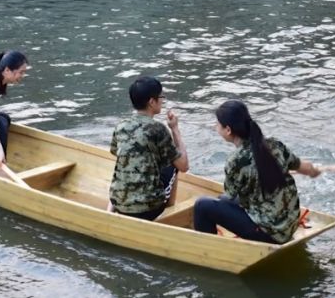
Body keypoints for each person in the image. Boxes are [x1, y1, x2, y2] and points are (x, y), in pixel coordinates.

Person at [193, 100, 321, 244]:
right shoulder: (274, 144)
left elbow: (230, 194)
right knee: (221, 199)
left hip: (271, 233)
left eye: (217, 124)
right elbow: (302, 166)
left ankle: (208, 250)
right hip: (290, 223)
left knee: (202, 205)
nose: (214, 126)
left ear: (228, 130)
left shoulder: (235, 160)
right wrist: (313, 171)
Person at [108, 76, 189, 220]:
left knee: (124, 162)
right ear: (152, 102)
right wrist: (175, 129)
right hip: (148, 210)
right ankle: (168, 213)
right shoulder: (158, 129)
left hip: (119, 203)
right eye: (161, 96)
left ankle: (109, 212)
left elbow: (116, 153)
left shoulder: (121, 125)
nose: (162, 100)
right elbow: (183, 166)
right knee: (173, 164)